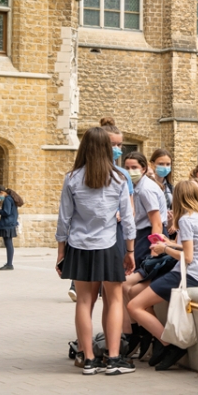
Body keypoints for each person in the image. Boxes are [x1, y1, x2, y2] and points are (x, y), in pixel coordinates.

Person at [57, 127, 136, 374]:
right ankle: (113, 358)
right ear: (106, 149)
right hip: (110, 243)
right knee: (113, 301)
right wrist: (130, 250)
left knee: (83, 301)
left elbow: (64, 219)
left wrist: (61, 251)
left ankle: (88, 358)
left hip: (79, 245)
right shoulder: (119, 179)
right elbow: (129, 219)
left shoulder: (72, 178)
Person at [127, 180, 198, 372]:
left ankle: (169, 345)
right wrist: (170, 243)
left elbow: (188, 257)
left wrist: (164, 248)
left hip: (187, 274)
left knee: (134, 306)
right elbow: (194, 248)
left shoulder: (186, 220)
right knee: (137, 296)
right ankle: (160, 341)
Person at [123, 152, 166, 272]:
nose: (130, 171)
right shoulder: (136, 186)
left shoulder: (145, 189)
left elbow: (156, 223)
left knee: (141, 272)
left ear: (143, 169)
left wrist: (154, 250)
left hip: (149, 234)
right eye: (127, 168)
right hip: (141, 234)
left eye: (134, 167)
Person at [0, 186, 22, 270]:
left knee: (8, 244)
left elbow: (7, 212)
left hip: (7, 224)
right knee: (9, 243)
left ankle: (9, 264)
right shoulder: (11, 198)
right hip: (11, 223)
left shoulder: (7, 199)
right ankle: (9, 263)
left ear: (1, 192)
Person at [150, 148, 175, 217]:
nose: (165, 167)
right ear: (152, 164)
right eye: (161, 164)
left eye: (168, 164)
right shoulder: (147, 185)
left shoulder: (170, 188)